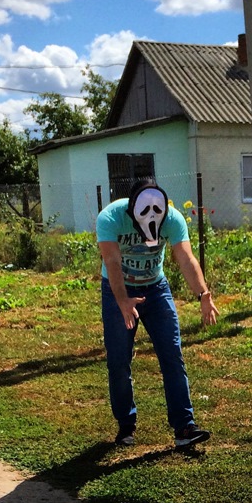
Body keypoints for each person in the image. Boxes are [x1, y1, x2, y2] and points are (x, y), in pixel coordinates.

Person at [96, 179, 218, 448]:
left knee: (172, 355)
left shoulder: (172, 218)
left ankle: (184, 428)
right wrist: (123, 300)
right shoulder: (111, 218)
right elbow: (112, 261)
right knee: (118, 360)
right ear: (131, 209)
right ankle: (126, 425)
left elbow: (185, 258)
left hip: (156, 288)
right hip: (119, 291)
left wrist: (203, 294)